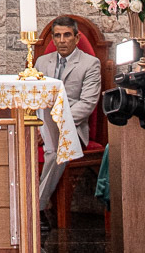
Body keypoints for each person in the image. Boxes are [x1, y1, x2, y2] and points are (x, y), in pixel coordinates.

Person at [35, 16, 101, 220]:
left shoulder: (90, 64)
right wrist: (38, 127)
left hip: (72, 129)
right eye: (57, 36)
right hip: (41, 127)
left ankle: (35, 207)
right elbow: (34, 98)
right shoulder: (41, 62)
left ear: (76, 37)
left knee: (55, 152)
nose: (62, 40)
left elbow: (87, 104)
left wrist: (56, 124)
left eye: (66, 35)